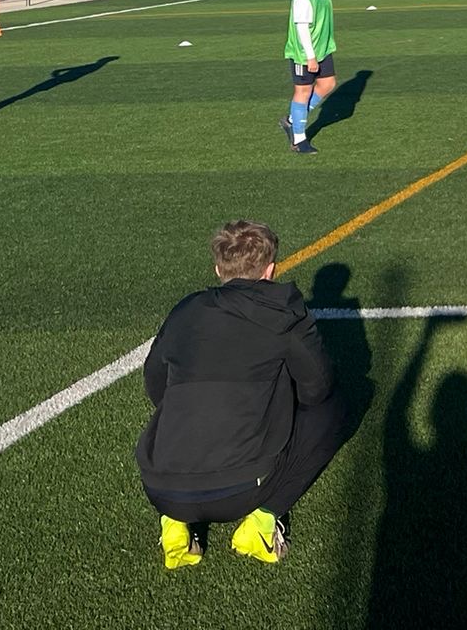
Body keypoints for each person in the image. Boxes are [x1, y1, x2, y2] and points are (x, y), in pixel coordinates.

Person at [137, 220, 345, 568]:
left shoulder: (186, 310)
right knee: (332, 408)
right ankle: (261, 524)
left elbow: (154, 383)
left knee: (181, 405)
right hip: (242, 491)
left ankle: (174, 524)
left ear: (218, 270)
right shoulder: (283, 314)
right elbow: (317, 388)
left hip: (161, 489)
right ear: (271, 270)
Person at [281, 0, 335, 155]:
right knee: (302, 91)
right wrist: (310, 57)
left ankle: (292, 119)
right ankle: (299, 139)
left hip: (322, 48)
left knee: (328, 83)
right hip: (304, 53)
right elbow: (302, 28)